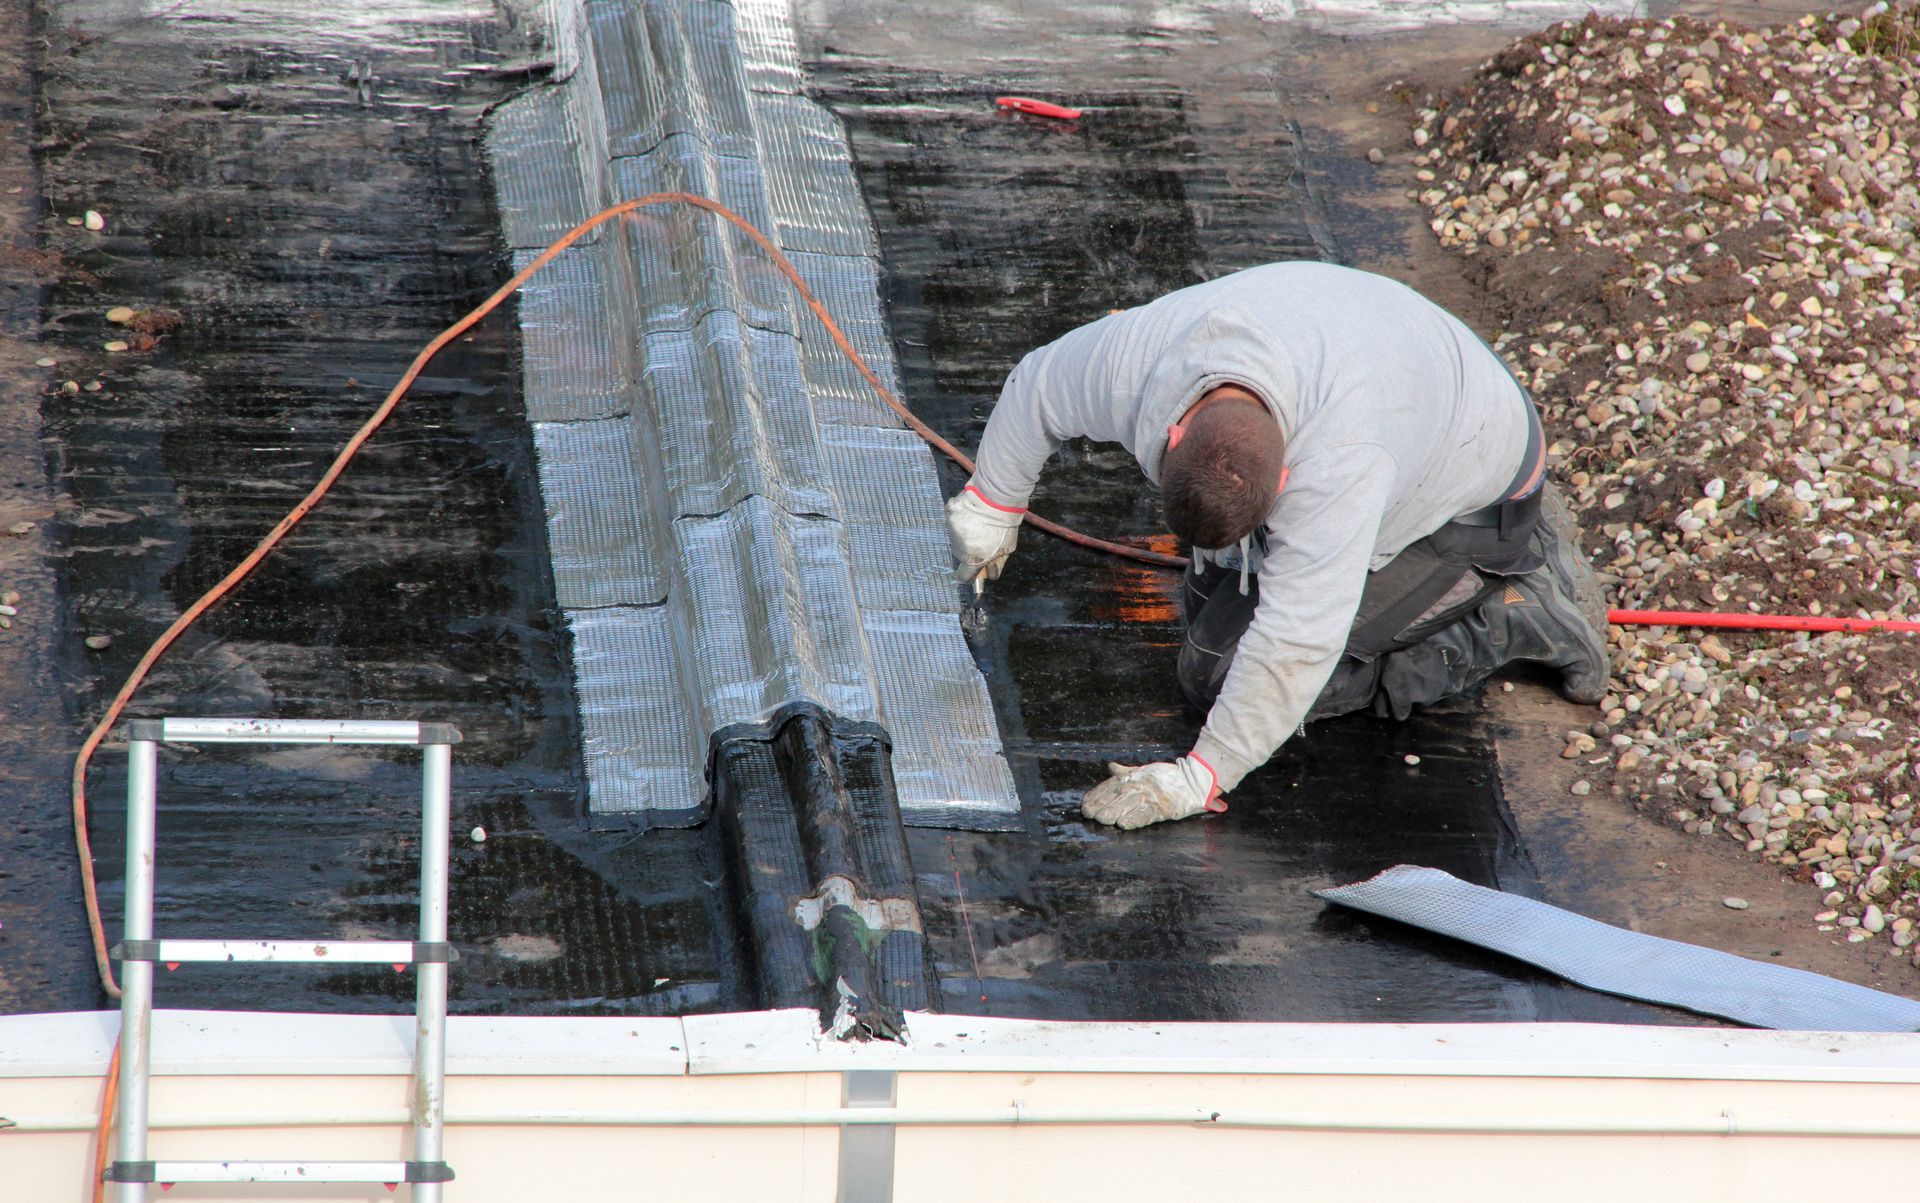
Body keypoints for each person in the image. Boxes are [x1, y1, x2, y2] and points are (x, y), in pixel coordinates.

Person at [945, 261, 1609, 830]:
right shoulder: (1142, 357)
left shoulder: (1340, 468)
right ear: (1177, 433)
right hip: (1424, 392)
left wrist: (1201, 775)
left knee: (1219, 674)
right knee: (1211, 605)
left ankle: (1511, 609)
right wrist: (991, 507)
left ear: (1284, 481)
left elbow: (1297, 642)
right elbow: (1038, 385)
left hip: (1476, 500)